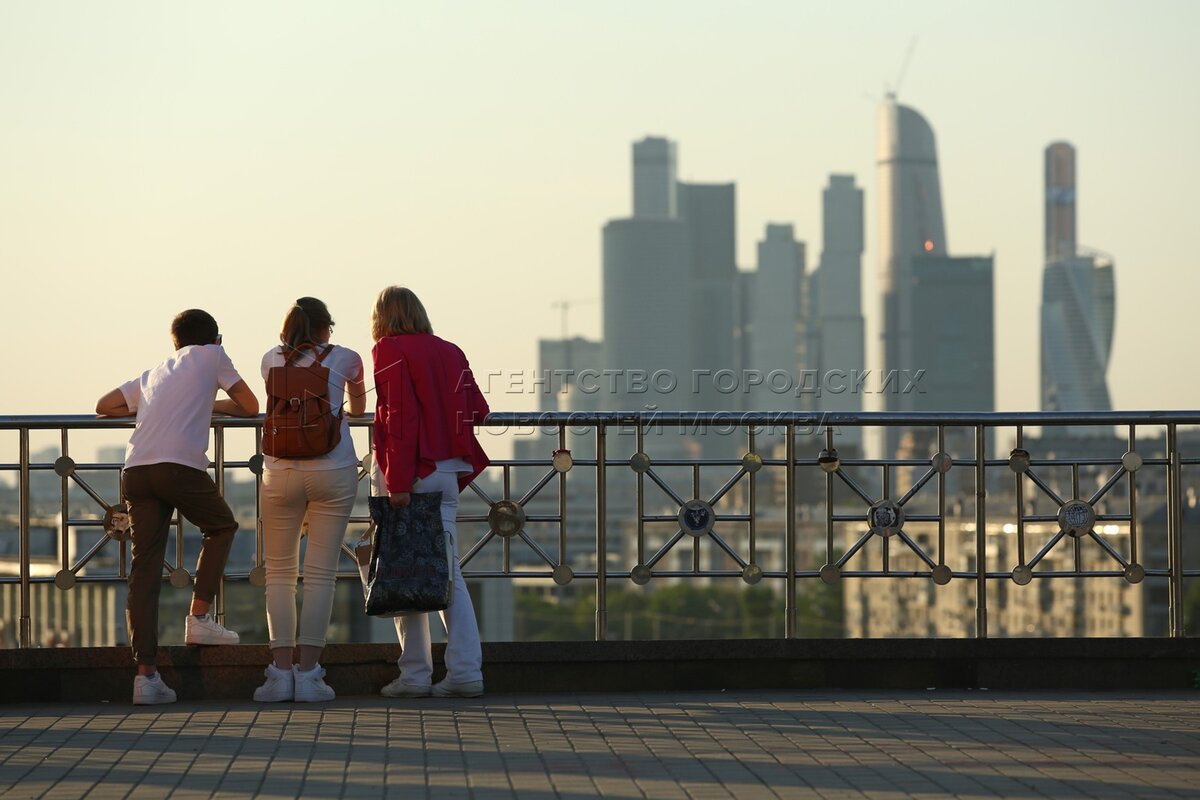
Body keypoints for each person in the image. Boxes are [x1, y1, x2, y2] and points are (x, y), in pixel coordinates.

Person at [96, 309, 259, 705]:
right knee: (221, 527)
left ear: (175, 342)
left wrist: (156, 409)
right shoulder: (213, 356)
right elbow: (251, 405)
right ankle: (199, 618)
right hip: (178, 467)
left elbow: (105, 405)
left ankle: (146, 676)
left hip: (136, 469)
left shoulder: (154, 373)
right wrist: (213, 404)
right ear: (215, 339)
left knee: (145, 568)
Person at [371, 286, 490, 698]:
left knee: (402, 566)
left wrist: (398, 482)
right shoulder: (450, 350)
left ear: (382, 317)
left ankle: (416, 674)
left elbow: (399, 417)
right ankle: (464, 669)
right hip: (448, 470)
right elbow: (478, 410)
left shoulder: (389, 349)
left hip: (412, 471)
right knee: (447, 571)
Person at [253, 298, 366, 703]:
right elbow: (358, 407)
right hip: (332, 470)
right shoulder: (347, 358)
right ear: (325, 328)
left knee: (279, 574)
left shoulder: (269, 360)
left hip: (279, 471)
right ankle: (309, 676)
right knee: (320, 575)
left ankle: (280, 675)